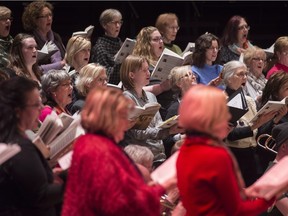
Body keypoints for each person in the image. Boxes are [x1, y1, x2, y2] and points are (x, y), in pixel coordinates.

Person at [62, 87, 176, 216]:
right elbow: (121, 204)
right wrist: (163, 187)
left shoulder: (91, 142)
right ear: (108, 119)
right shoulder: (99, 151)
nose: (127, 122)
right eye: (123, 116)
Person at [176, 84, 274, 215]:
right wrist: (270, 196)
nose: (229, 118)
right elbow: (237, 210)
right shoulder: (216, 155)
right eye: (224, 111)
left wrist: (247, 193)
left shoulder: (184, 148)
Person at [0, 76, 66, 216]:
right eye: (36, 105)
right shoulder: (20, 147)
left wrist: (48, 174)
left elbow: (23, 183)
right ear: (18, 111)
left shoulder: (10, 138)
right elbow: (40, 195)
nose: (42, 108)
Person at [120, 55, 183, 166]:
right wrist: (166, 132)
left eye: (148, 69)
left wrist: (170, 128)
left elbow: (158, 124)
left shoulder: (151, 96)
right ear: (131, 75)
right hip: (141, 159)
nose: (148, 73)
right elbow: (137, 132)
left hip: (159, 154)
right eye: (144, 70)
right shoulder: (127, 98)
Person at [222, 60, 275, 186]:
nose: (245, 77)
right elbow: (230, 135)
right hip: (234, 157)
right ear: (229, 78)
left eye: (246, 74)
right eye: (240, 74)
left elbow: (258, 132)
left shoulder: (249, 101)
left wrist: (273, 119)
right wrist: (255, 125)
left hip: (252, 157)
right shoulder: (219, 101)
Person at [132, 26, 174, 119]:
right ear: (146, 44)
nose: (161, 42)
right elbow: (135, 91)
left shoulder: (163, 61)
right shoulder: (139, 63)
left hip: (171, 102)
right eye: (156, 39)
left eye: (161, 38)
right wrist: (161, 87)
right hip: (158, 108)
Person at [257, 71, 288, 173]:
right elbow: (262, 137)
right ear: (276, 93)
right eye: (287, 89)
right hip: (268, 162)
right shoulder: (267, 108)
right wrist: (278, 117)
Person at [22, 1, 66, 73]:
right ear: (34, 20)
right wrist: (59, 65)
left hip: (62, 76)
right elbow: (30, 69)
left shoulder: (56, 36)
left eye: (50, 15)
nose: (49, 18)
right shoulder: (29, 41)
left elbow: (65, 58)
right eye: (45, 16)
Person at [90, 8, 123, 85]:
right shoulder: (100, 47)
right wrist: (120, 62)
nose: (118, 26)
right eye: (114, 22)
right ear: (104, 25)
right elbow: (105, 77)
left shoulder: (122, 44)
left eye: (120, 22)